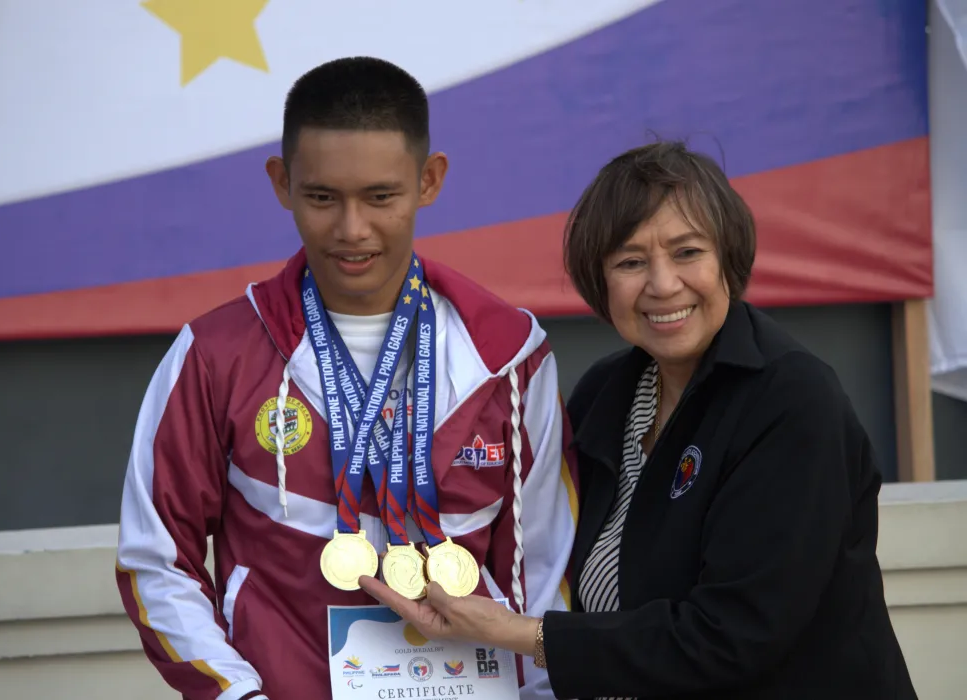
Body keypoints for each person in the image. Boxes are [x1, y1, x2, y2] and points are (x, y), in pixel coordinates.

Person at [360, 141, 918, 699]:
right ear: (599, 281)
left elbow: (732, 637)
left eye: (687, 252)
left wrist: (519, 634)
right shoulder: (606, 393)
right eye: (630, 262)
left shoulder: (793, 400)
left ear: (728, 256)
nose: (663, 284)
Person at [114, 57, 579, 700]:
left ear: (429, 180)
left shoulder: (509, 355)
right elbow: (157, 561)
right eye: (322, 197)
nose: (351, 228)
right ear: (281, 183)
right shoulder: (215, 354)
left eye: (380, 196)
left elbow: (548, 568)